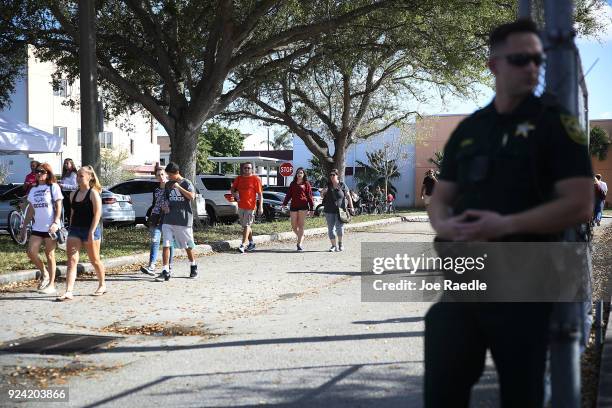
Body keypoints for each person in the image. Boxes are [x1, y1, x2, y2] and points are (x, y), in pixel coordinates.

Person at [425, 19, 593, 407]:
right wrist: (444, 222)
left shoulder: (557, 125)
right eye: (520, 59)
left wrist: (506, 225)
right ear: (494, 65)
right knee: (442, 392)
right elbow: (441, 196)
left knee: (523, 395)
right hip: (465, 283)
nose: (532, 68)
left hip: (525, 286)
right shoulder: (470, 129)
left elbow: (580, 203)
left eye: (538, 59)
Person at [57, 165, 105, 301]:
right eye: (77, 175)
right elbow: (72, 214)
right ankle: (68, 291)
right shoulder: (73, 194)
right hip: (75, 230)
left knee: (94, 260)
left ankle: (102, 284)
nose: (78, 178)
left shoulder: (94, 193)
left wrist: (91, 231)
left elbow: (97, 214)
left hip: (91, 230)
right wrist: (69, 229)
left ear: (89, 177)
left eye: (81, 176)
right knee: (71, 261)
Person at [20, 163, 63, 295]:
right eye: (37, 171)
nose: (39, 174)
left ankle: (51, 285)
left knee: (49, 255)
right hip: (37, 227)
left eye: (42, 171)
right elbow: (31, 209)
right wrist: (24, 226)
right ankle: (45, 273)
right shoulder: (33, 190)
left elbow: (58, 205)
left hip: (50, 228)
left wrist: (56, 222)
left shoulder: (53, 187)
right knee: (30, 252)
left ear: (48, 173)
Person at [156, 162, 198, 281]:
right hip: (168, 219)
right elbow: (165, 198)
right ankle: (165, 270)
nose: (168, 177)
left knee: (187, 246)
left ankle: (193, 265)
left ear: (177, 173)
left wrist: (179, 187)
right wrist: (166, 206)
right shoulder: (168, 184)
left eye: (170, 175)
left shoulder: (186, 183)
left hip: (183, 220)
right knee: (166, 244)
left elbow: (191, 196)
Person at [140, 165, 174, 276]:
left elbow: (176, 202)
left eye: (162, 174)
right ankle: (152, 266)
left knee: (168, 243)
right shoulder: (156, 190)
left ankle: (169, 266)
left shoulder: (172, 187)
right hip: (155, 217)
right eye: (158, 175)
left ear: (167, 175)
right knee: (155, 240)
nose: (161, 177)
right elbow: (155, 204)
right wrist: (151, 215)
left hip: (168, 217)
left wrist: (169, 208)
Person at [231, 162, 263, 253]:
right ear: (243, 169)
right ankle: (251, 243)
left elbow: (260, 194)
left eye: (249, 168)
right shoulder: (239, 178)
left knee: (247, 225)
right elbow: (233, 189)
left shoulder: (255, 179)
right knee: (245, 226)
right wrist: (235, 194)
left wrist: (260, 207)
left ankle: (243, 244)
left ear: (252, 169)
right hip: (241, 205)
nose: (247, 169)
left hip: (251, 206)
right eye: (245, 168)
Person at [321, 169, 354, 252]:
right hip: (329, 210)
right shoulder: (328, 185)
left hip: (340, 210)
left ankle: (340, 243)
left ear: (337, 175)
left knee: (340, 228)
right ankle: (333, 245)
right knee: (330, 229)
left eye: (333, 175)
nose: (332, 176)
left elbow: (348, 196)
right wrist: (323, 192)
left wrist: (351, 207)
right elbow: (322, 196)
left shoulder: (342, 185)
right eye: (330, 175)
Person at [282, 167, 315, 251]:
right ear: (296, 174)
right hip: (294, 206)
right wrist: (284, 204)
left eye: (301, 173)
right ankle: (301, 236)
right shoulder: (292, 184)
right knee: (293, 226)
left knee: (301, 225)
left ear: (303, 174)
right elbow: (288, 195)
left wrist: (312, 208)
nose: (299, 174)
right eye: (298, 173)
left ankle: (299, 243)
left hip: (303, 206)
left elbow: (310, 196)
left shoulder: (306, 184)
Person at [58, 158, 78, 224]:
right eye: (65, 163)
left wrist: (63, 185)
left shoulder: (73, 174)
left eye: (67, 163)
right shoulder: (66, 173)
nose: (65, 165)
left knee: (70, 212)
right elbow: (66, 182)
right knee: (67, 211)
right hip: (64, 194)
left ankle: (72, 226)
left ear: (71, 164)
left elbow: (75, 187)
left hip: (70, 194)